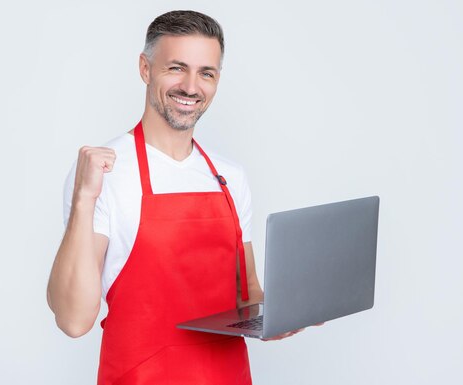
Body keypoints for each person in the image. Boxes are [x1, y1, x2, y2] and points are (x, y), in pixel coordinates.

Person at [47, 10, 302, 385]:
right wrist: (84, 200)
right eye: (176, 68)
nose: (191, 87)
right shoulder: (104, 173)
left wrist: (285, 314)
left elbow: (248, 296)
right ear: (145, 69)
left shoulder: (229, 177)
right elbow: (73, 319)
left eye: (206, 73)